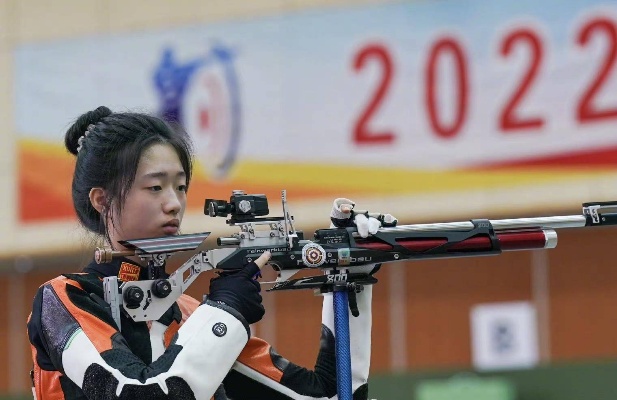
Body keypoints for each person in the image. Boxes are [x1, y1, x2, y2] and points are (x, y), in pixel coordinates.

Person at [27, 106, 393, 399]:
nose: (174, 204)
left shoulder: (190, 316)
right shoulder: (64, 300)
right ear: (102, 199)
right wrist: (225, 312)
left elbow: (329, 394)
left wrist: (351, 270)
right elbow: (140, 394)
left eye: (181, 187)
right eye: (155, 187)